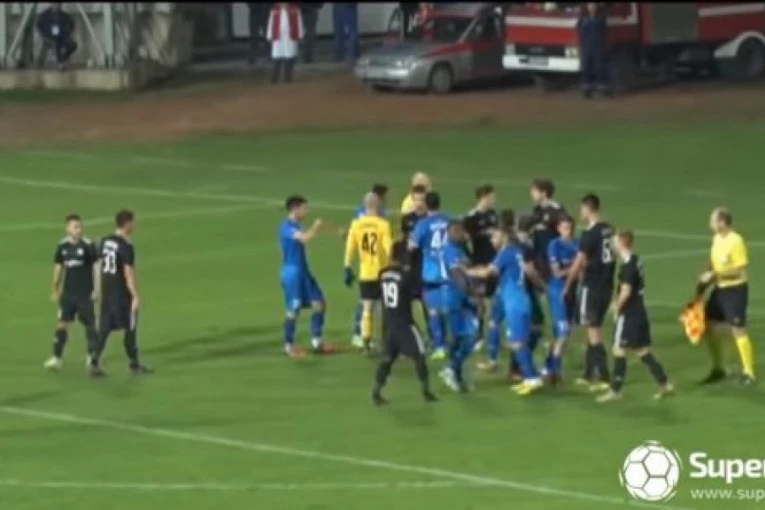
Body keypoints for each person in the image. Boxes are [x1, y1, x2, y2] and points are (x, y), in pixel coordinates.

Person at [597, 230, 674, 402]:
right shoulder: (636, 260)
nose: (612, 244)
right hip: (640, 311)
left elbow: (626, 291)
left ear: (622, 242)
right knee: (642, 350)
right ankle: (665, 384)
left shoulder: (628, 267)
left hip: (629, 314)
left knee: (619, 349)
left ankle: (615, 390)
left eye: (615, 241)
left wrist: (616, 307)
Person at [468, 226, 543, 396]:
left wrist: (465, 271)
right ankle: (528, 377)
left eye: (495, 237)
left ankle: (532, 378)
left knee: (517, 343)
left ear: (504, 238)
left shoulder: (506, 252)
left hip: (515, 303)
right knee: (517, 341)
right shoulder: (516, 252)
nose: (492, 240)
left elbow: (487, 273)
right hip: (517, 300)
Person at [373, 244, 438, 405]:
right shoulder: (406, 276)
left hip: (388, 324)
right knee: (420, 356)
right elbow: (417, 294)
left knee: (387, 359)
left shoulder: (382, 274)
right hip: (405, 324)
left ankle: (376, 392)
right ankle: (426, 391)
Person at [89, 210, 151, 377]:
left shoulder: (105, 241)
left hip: (107, 291)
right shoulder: (126, 246)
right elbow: (128, 273)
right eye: (133, 222)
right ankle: (134, 363)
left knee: (104, 328)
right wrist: (135, 295)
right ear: (127, 223)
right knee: (130, 327)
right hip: (121, 294)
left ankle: (94, 362)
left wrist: (96, 288)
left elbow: (97, 264)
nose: (135, 226)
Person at [697, 207, 755, 385]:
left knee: (738, 329)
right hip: (719, 289)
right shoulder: (717, 239)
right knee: (709, 327)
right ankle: (718, 368)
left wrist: (714, 275)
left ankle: (748, 372)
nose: (710, 224)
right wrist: (705, 277)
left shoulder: (736, 241)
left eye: (713, 221)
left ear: (722, 222)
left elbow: (739, 271)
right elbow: (713, 262)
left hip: (735, 290)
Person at [563, 194, 615, 391]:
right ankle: (589, 373)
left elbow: (578, 263)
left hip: (592, 286)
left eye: (582, 209)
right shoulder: (608, 229)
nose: (580, 212)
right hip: (606, 285)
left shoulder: (589, 234)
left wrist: (567, 286)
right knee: (592, 327)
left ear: (588, 208)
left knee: (593, 331)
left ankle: (604, 376)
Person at [279, 195, 331, 358]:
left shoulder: (296, 225)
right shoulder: (286, 227)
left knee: (319, 304)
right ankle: (289, 346)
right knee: (293, 310)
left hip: (303, 271)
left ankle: (316, 341)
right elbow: (304, 238)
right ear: (295, 209)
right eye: (304, 208)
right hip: (292, 273)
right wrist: (315, 227)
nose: (306, 211)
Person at [45, 214, 99, 370]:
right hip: (68, 294)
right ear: (67, 228)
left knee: (90, 325)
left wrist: (97, 289)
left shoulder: (88, 245)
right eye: (75, 227)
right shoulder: (62, 246)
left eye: (80, 226)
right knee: (61, 325)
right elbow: (58, 268)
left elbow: (97, 268)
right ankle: (57, 357)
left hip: (85, 294)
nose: (79, 230)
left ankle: (92, 356)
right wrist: (54, 288)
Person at [344, 192, 394, 351]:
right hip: (382, 272)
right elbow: (388, 247)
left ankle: (366, 339)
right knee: (385, 309)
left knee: (367, 308)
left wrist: (347, 267)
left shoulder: (356, 224)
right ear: (378, 205)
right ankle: (385, 340)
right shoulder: (383, 224)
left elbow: (350, 247)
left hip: (365, 273)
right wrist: (394, 264)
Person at [409, 191, 450, 360]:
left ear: (426, 205)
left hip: (431, 273)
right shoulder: (449, 220)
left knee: (433, 311)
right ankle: (451, 342)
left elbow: (412, 246)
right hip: (448, 270)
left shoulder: (423, 224)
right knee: (447, 309)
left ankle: (439, 346)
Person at [440, 220, 480, 392]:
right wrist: (473, 294)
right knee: (468, 337)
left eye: (460, 231)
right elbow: (458, 276)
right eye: (455, 231)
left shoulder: (461, 249)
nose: (459, 234)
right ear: (449, 233)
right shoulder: (450, 251)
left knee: (460, 338)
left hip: (461, 299)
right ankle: (452, 369)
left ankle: (453, 370)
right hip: (455, 299)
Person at [462, 184, 499, 348]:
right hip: (478, 263)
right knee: (479, 301)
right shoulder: (471, 218)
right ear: (483, 198)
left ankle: (495, 333)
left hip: (494, 262)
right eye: (491, 197)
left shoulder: (493, 215)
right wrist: (468, 259)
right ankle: (478, 334)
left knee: (496, 299)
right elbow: (462, 240)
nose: (494, 200)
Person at [544, 215, 579, 382]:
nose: (568, 231)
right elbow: (556, 272)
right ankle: (555, 372)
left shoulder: (578, 244)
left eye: (570, 228)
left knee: (565, 332)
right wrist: (576, 268)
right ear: (558, 229)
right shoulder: (554, 245)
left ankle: (548, 366)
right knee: (563, 332)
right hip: (557, 291)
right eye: (564, 228)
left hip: (572, 291)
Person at [577, 2, 609, 98]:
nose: (592, 7)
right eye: (590, 5)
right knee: (586, 68)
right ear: (587, 7)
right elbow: (579, 31)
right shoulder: (583, 19)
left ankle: (602, 89)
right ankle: (587, 90)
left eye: (594, 5)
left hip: (598, 46)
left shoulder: (601, 18)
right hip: (587, 46)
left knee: (599, 68)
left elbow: (604, 32)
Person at [267, 3, 304, 84]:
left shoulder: (295, 8)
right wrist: (269, 35)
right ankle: (275, 77)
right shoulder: (275, 9)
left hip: (290, 35)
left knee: (289, 56)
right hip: (278, 35)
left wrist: (300, 35)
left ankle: (288, 77)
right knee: (277, 56)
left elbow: (299, 21)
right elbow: (271, 22)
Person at [36, 3, 77, 70]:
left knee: (73, 45)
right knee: (56, 42)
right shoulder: (44, 15)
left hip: (62, 36)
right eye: (54, 4)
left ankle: (63, 57)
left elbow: (71, 25)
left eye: (58, 4)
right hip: (49, 37)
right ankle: (60, 62)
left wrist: (67, 32)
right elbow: (39, 26)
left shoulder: (64, 15)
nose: (56, 6)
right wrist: (44, 34)